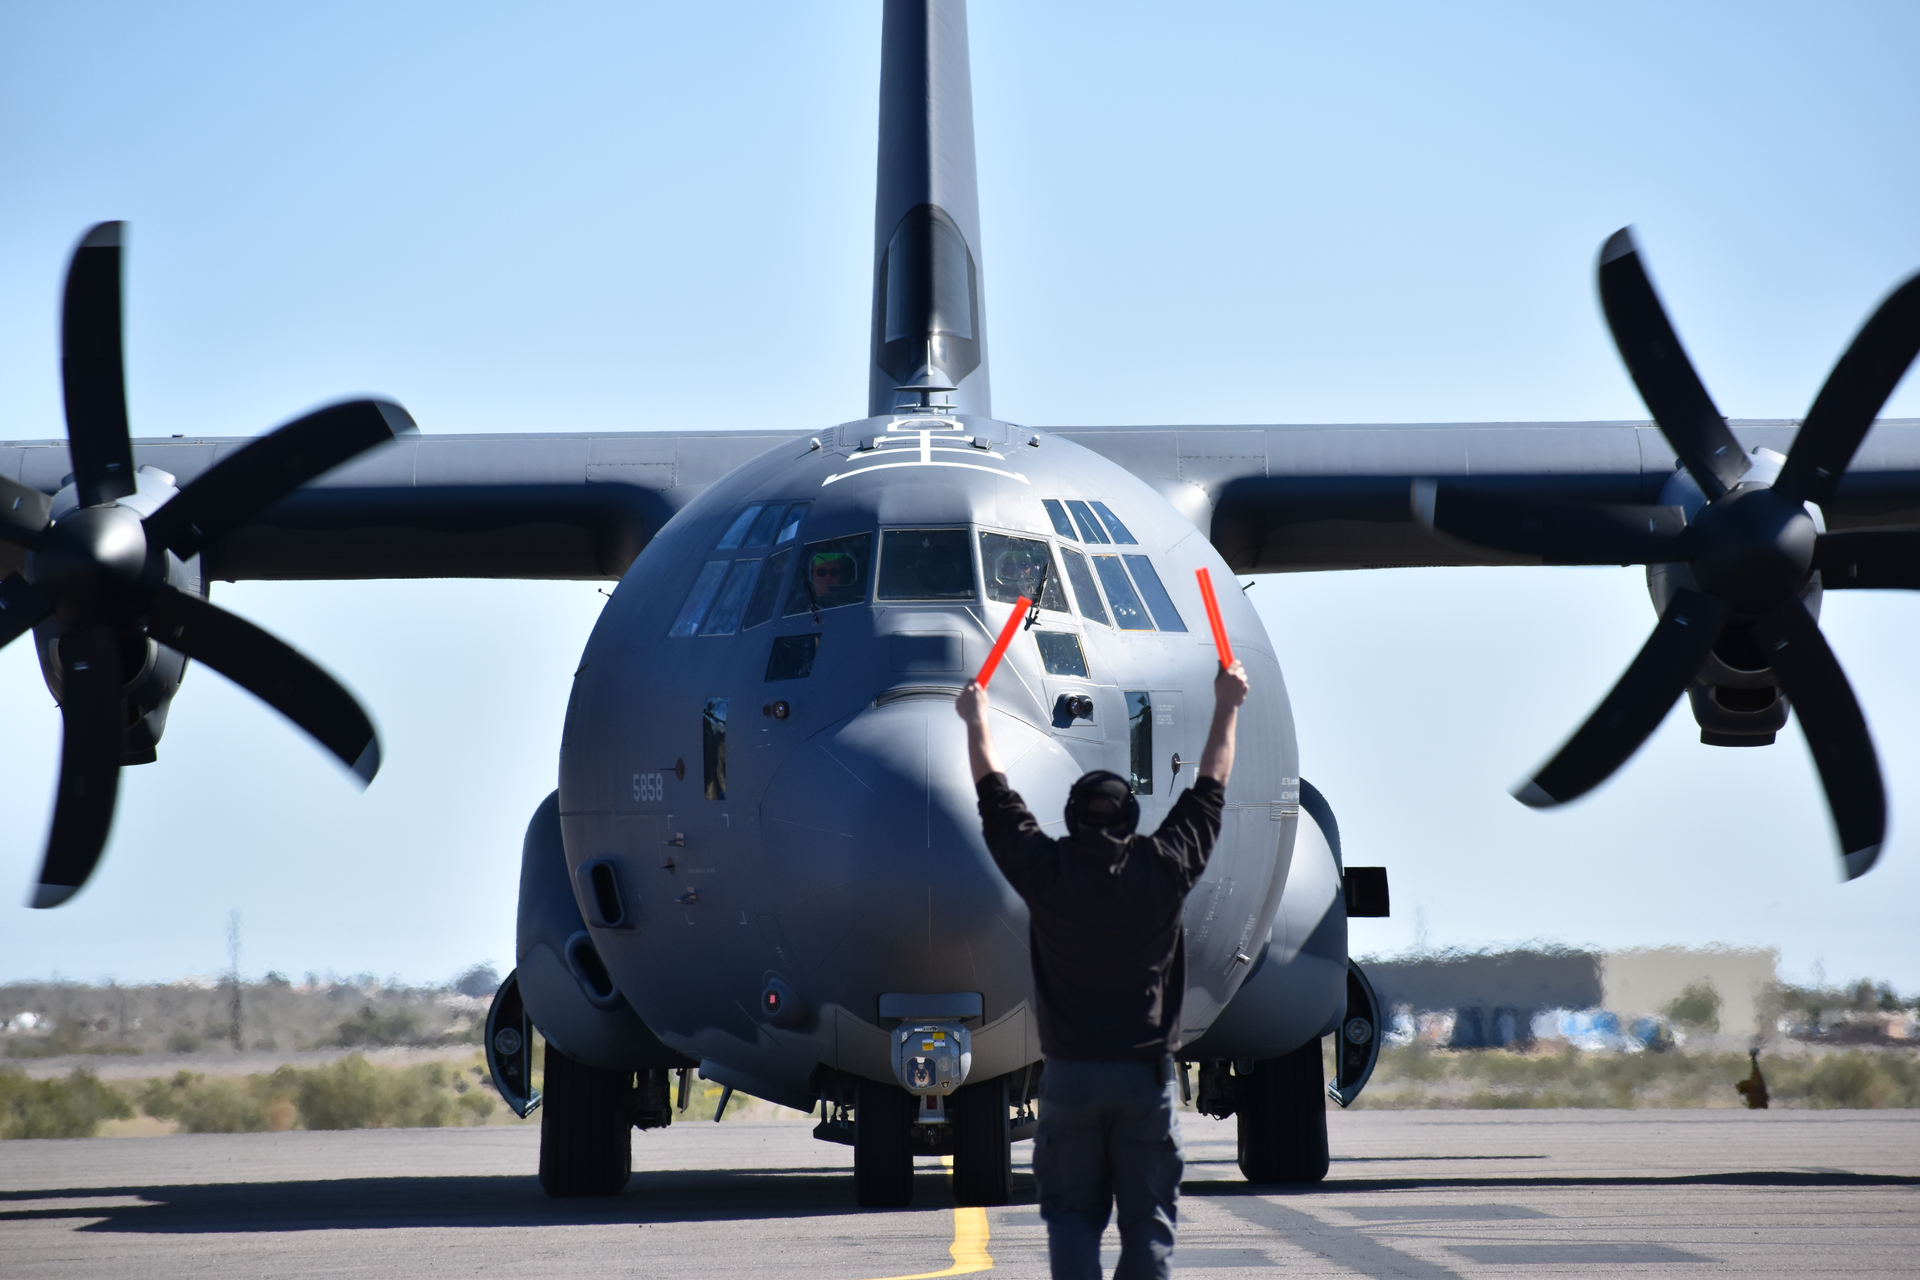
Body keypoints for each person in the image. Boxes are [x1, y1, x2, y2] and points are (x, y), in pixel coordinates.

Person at [954, 660, 1250, 1280]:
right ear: (1130, 818)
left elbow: (996, 799)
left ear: (1073, 817)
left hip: (1069, 1077)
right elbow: (1211, 786)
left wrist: (977, 720)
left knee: (1070, 1215)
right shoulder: (1165, 865)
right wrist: (1227, 704)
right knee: (1149, 1223)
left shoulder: (1048, 872)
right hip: (1144, 1075)